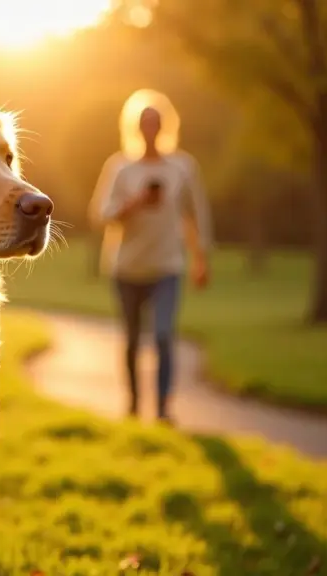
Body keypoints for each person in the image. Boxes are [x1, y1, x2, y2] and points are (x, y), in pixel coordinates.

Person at [88, 89, 213, 424]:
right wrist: (134, 204)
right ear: (135, 127)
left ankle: (161, 409)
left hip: (167, 266)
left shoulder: (183, 167)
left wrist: (201, 259)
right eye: (145, 123)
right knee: (131, 340)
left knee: (161, 336)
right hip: (126, 267)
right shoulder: (120, 167)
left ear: (165, 126)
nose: (151, 129)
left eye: (156, 122)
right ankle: (132, 403)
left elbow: (195, 216)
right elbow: (100, 214)